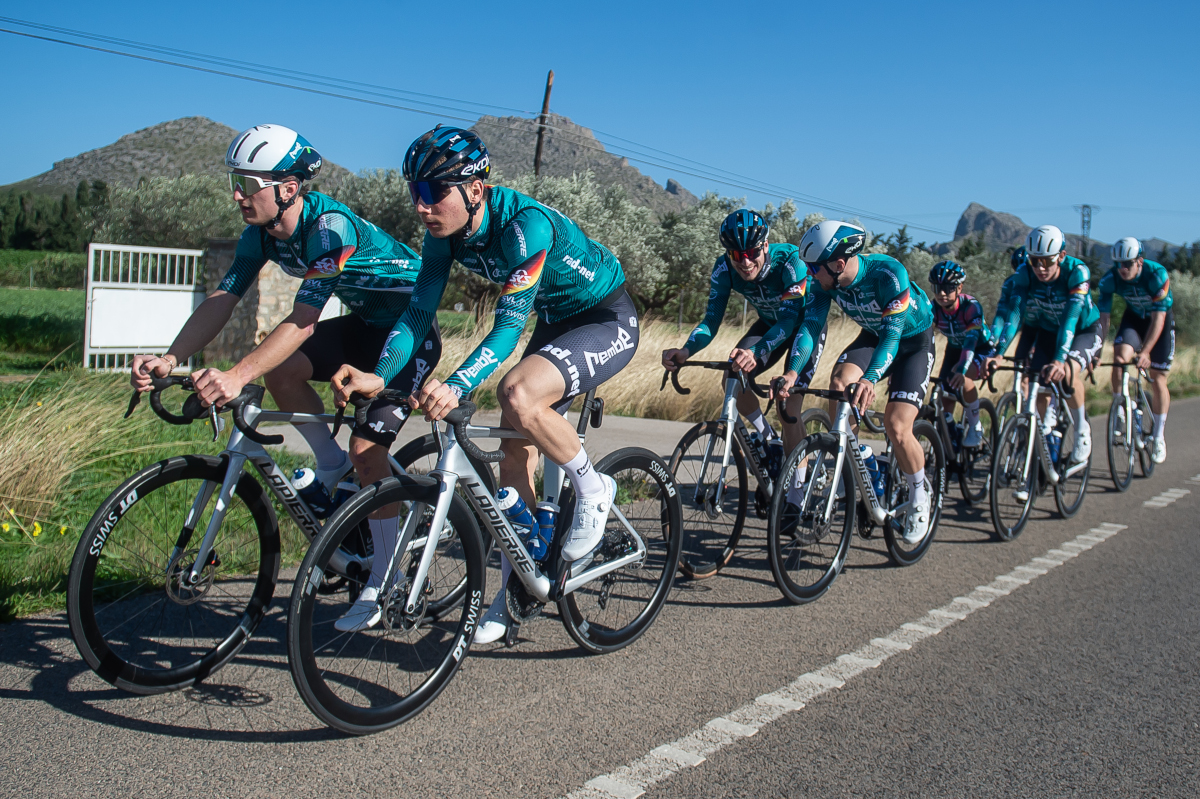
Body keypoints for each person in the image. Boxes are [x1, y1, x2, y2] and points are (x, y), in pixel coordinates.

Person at [127, 124, 439, 633]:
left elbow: (303, 319)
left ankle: (385, 579)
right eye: (236, 182)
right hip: (362, 326)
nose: (237, 194)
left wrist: (234, 374)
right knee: (285, 373)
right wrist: (170, 357)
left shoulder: (328, 229)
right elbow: (222, 299)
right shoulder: (260, 236)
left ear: (289, 188)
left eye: (248, 185)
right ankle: (330, 466)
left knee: (369, 454)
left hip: (408, 333)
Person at [333, 125, 638, 643]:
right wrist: (380, 375)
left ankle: (594, 486)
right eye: (415, 192)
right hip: (556, 320)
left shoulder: (526, 228)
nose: (421, 206)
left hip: (605, 317)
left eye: (433, 193)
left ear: (475, 190)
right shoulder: (442, 238)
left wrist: (454, 384)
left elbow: (505, 330)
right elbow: (414, 316)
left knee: (517, 395)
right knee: (517, 452)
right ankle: (519, 584)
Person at [777, 220, 937, 544]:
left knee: (897, 425)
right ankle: (860, 457)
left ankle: (921, 494)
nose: (809, 273)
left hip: (912, 343)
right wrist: (793, 371)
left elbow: (893, 338)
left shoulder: (888, 274)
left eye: (814, 267)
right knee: (839, 384)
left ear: (838, 264)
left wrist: (871, 378)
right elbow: (809, 327)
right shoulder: (826, 283)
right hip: (874, 336)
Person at [661, 209, 824, 475]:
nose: (745, 262)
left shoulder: (791, 261)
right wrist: (685, 350)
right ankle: (766, 435)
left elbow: (788, 321)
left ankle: (797, 492)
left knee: (789, 409)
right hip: (770, 324)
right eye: (737, 255)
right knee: (732, 378)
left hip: (803, 327)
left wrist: (756, 351)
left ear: (766, 246)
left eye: (751, 253)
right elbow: (711, 320)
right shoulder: (724, 269)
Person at [1002, 224, 1102, 463]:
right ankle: (1048, 432)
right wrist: (998, 352)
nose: (1040, 268)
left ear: (1061, 256)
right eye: (1035, 261)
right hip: (1049, 330)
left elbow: (1070, 320)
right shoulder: (1025, 273)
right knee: (1037, 382)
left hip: (1083, 330)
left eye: (1046, 261)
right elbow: (1014, 316)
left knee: (1067, 373)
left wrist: (1059, 360)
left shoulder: (1077, 272)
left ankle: (1081, 430)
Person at [1097, 237, 1174, 463]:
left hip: (1158, 320)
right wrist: (1097, 351)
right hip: (1134, 319)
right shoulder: (1110, 278)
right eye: (1118, 264)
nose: (1122, 269)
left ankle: (1158, 436)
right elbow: (1103, 319)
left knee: (1158, 377)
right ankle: (1122, 409)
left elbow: (1159, 319)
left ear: (1140, 262)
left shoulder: (1157, 275)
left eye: (1127, 264)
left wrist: (1146, 351)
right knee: (1120, 359)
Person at [928, 261, 994, 448]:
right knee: (945, 396)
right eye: (937, 288)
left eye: (948, 288)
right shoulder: (934, 308)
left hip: (979, 348)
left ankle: (975, 426)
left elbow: (971, 341)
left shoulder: (971, 307)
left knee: (962, 379)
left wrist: (962, 370)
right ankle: (951, 437)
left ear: (959, 287)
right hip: (955, 348)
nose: (941, 293)